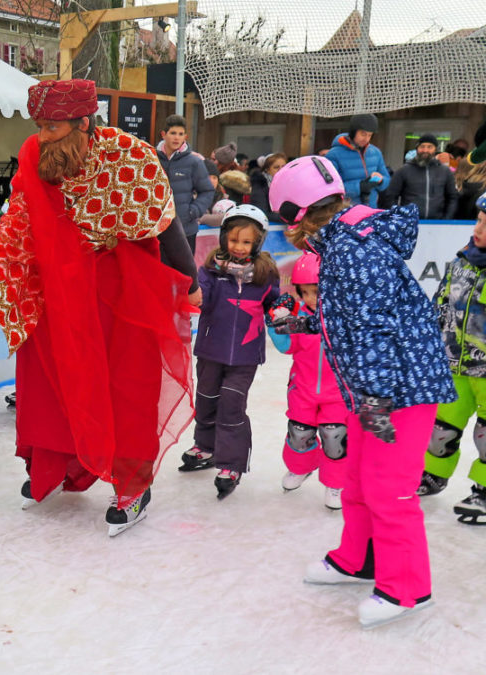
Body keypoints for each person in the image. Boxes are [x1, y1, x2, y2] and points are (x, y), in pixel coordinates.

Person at [0, 79, 196, 537]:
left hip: (120, 288)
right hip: (57, 289)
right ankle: (57, 467)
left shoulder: (131, 155)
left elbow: (165, 224)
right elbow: (16, 224)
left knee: (125, 386)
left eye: (52, 127)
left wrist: (193, 281)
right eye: (39, 126)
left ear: (84, 123)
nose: (42, 136)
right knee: (52, 382)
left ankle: (132, 485)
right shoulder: (35, 155)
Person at [269, 155, 455, 629]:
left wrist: (374, 400)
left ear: (299, 215)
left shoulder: (354, 249)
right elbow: (349, 318)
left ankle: (408, 589)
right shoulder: (344, 241)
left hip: (400, 389)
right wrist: (302, 324)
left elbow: (373, 329)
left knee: (389, 489)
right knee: (356, 479)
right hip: (372, 387)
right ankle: (359, 560)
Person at [178, 205, 279, 499]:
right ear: (224, 238)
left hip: (245, 355)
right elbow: (203, 299)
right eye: (234, 240)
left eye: (246, 242)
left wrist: (281, 312)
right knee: (207, 399)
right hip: (212, 348)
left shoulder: (265, 273)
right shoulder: (211, 270)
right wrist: (193, 294)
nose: (239, 247)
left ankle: (231, 463)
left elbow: (274, 303)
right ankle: (206, 446)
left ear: (257, 243)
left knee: (232, 405)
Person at [416, 192, 486, 523]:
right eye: (479, 220)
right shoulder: (462, 262)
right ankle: (433, 474)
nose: (479, 229)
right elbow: (440, 304)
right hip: (454, 364)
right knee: (440, 430)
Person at [266, 252, 347, 510]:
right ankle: (302, 467)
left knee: (335, 437)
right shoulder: (299, 317)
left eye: (318, 292)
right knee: (300, 433)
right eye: (306, 292)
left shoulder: (344, 318)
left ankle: (336, 482)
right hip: (302, 389)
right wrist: (274, 325)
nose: (312, 299)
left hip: (338, 394)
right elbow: (286, 346)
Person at [156, 114, 214, 252]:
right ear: (163, 134)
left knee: (183, 267)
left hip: (185, 230)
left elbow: (207, 191)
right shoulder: (151, 158)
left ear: (185, 137)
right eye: (173, 133)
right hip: (156, 230)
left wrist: (192, 212)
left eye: (180, 134)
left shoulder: (194, 162)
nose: (177, 137)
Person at [380, 134, 458, 220]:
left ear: (435, 149)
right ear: (417, 149)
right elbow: (390, 196)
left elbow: (452, 197)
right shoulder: (403, 170)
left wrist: (446, 219)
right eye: (422, 146)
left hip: (437, 223)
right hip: (409, 222)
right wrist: (399, 218)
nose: (425, 150)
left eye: (429, 147)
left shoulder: (445, 171)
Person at [327, 113, 390, 207]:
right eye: (363, 134)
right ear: (353, 132)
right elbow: (329, 188)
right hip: (346, 209)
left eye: (369, 135)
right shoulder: (334, 154)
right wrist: (359, 187)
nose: (366, 139)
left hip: (370, 208)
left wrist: (381, 180)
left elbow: (387, 179)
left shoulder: (375, 152)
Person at [250, 153, 288, 224]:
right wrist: (289, 218)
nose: (281, 170)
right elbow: (261, 212)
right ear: (267, 170)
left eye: (283, 166)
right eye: (276, 167)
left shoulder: (290, 183)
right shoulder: (260, 185)